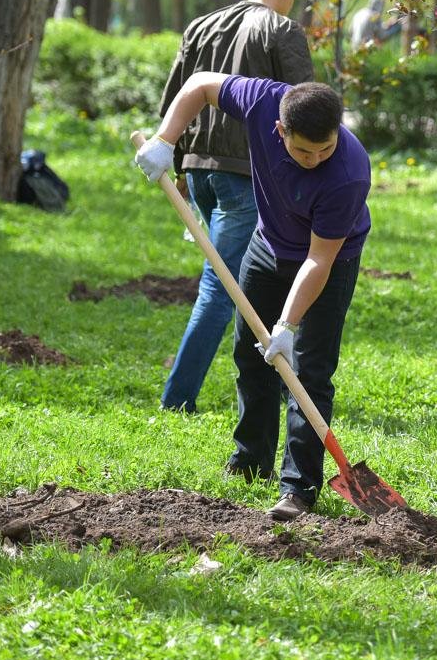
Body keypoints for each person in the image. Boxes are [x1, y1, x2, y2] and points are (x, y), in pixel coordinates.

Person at [137, 75, 370, 522]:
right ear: (280, 130)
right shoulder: (265, 102)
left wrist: (287, 324)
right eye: (304, 151)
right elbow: (201, 85)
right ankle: (250, 461)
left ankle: (298, 489)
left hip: (329, 261)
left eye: (325, 149)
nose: (315, 160)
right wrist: (165, 140)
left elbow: (318, 262)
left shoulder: (348, 173)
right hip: (267, 247)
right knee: (250, 354)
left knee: (308, 372)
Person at [157, 0, 314, 415]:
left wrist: (180, 165)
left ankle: (274, 385)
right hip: (245, 177)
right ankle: (177, 400)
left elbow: (173, 98)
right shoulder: (283, 31)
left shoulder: (200, 26)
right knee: (221, 287)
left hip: (198, 169)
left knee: (249, 282)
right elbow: (304, 108)